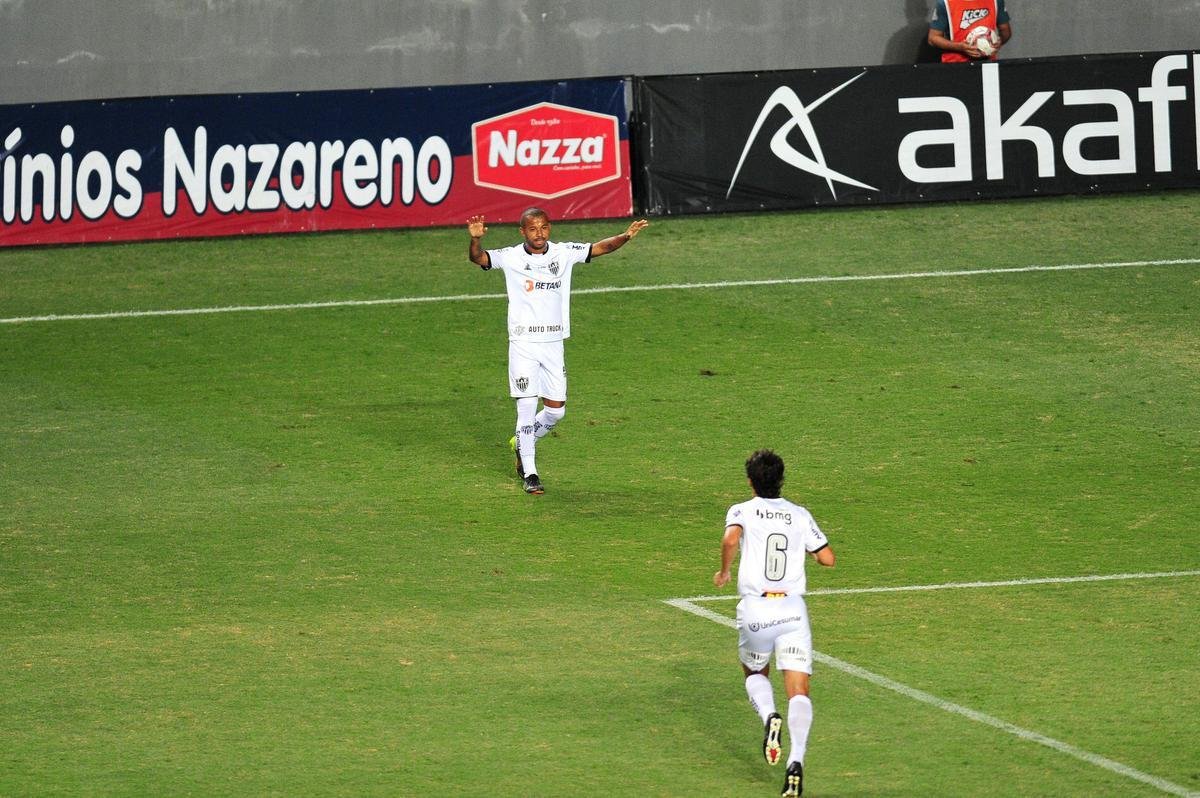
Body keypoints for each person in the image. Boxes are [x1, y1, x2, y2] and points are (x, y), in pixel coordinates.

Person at [467, 208, 648, 494]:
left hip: (553, 345)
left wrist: (625, 236)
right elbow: (479, 258)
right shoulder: (512, 256)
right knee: (526, 408)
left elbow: (599, 247)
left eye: (543, 227)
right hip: (523, 344)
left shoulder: (563, 253)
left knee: (555, 413)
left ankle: (521, 441)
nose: (538, 233)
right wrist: (475, 240)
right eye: (532, 228)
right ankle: (530, 473)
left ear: (549, 228)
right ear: (522, 232)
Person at [713, 449, 836, 798]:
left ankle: (769, 717)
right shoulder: (799, 514)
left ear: (751, 481)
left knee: (755, 674)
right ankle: (795, 761)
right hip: (793, 609)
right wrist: (808, 550)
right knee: (799, 690)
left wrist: (724, 570)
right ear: (781, 479)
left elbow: (730, 539)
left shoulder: (741, 510)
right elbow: (828, 558)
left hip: (756, 608)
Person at [928, 0, 1012, 63]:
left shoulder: (995, 1)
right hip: (956, 64)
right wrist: (960, 47)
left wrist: (996, 43)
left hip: (986, 63)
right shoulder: (945, 3)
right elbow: (932, 39)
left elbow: (1005, 31)